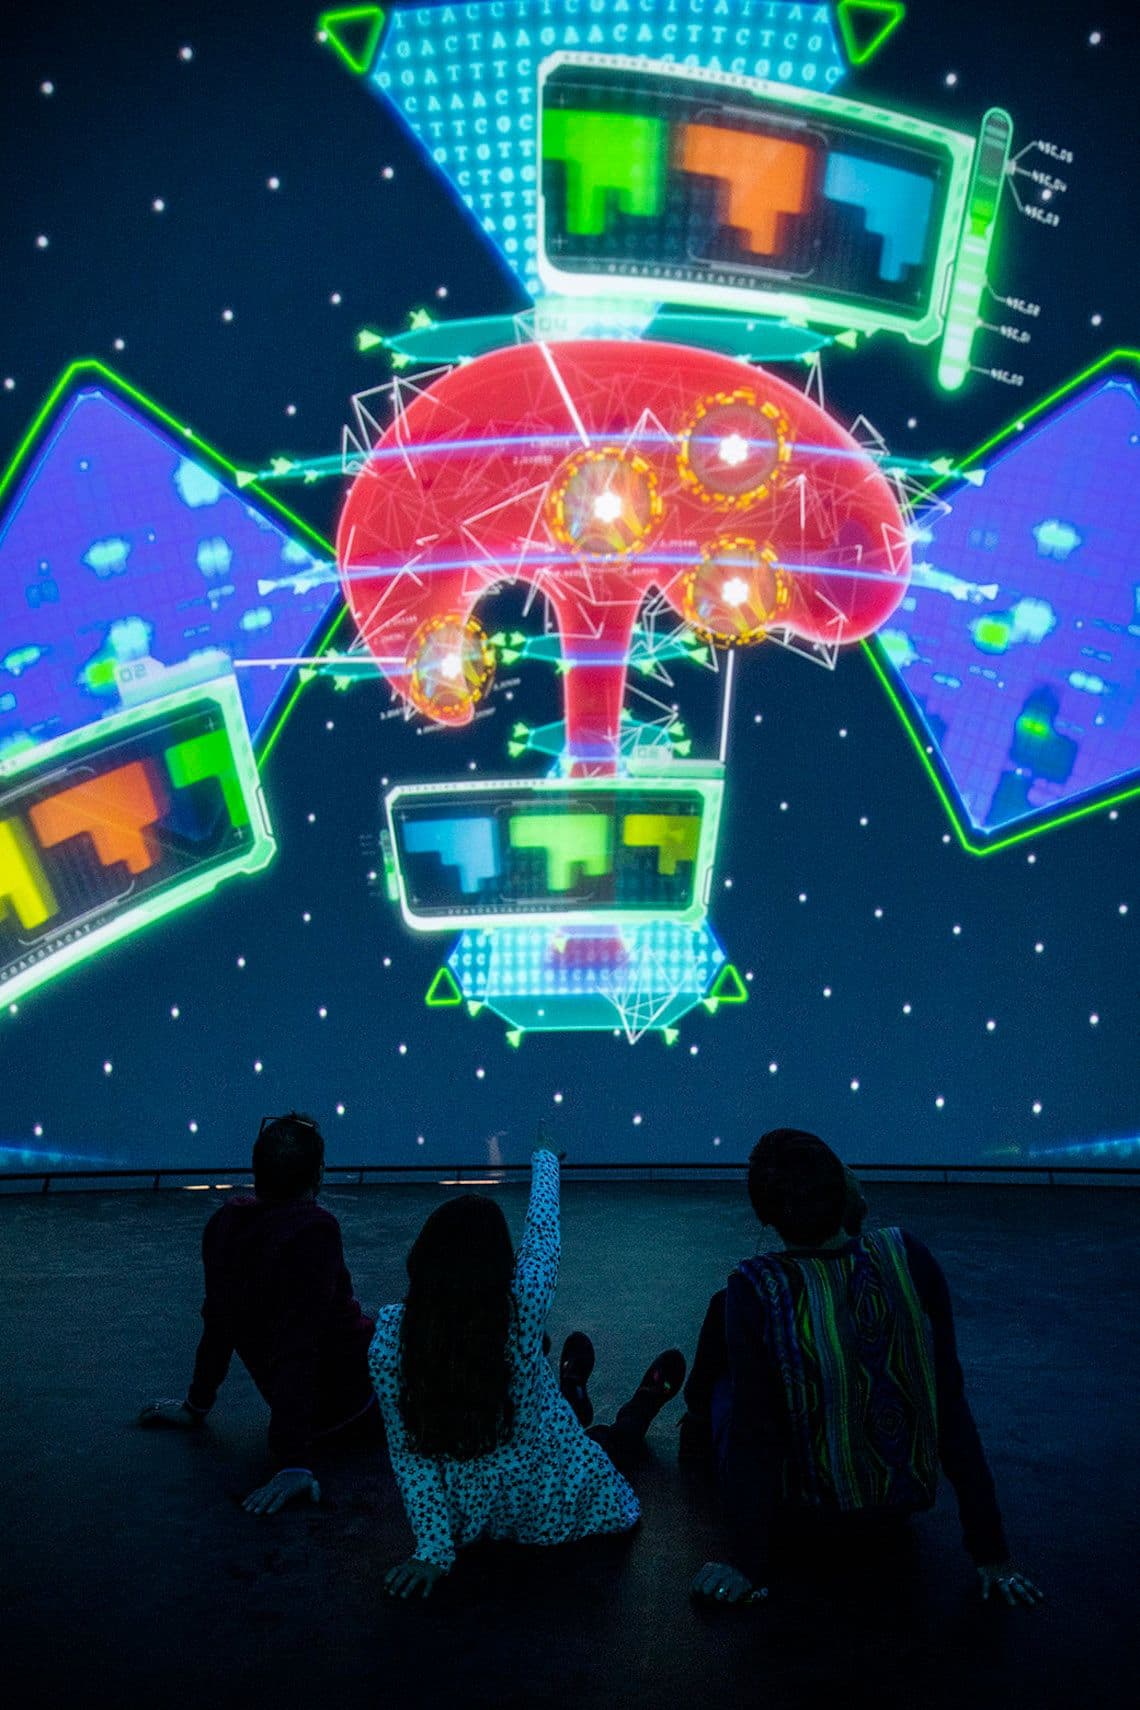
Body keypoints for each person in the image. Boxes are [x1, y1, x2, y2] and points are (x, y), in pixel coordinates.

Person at [684, 1128, 1044, 1611]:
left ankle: (694, 1423)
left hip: (801, 1521)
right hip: (894, 1513)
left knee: (726, 1368)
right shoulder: (908, 1256)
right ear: (842, 1187)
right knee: (728, 1310)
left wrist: (746, 1564)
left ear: (767, 1215)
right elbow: (950, 1406)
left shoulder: (754, 1288)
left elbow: (755, 1435)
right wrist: (993, 1554)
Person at [371, 1143, 686, 1599]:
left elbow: (409, 1454)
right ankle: (639, 1403)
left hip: (475, 1517)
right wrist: (546, 1157)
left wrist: (432, 1550)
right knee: (610, 1443)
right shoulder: (520, 1308)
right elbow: (542, 1234)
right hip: (549, 1494)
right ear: (502, 1266)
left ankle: (571, 1389)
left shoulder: (389, 1343)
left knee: (559, 1414)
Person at [139, 1112, 381, 1514]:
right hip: (356, 1404)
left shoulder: (223, 1223)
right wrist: (292, 1462)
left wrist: (196, 1405)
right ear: (318, 1174)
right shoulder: (314, 1230)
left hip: (327, 1403)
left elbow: (218, 1323)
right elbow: (298, 1346)